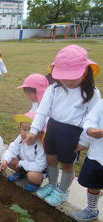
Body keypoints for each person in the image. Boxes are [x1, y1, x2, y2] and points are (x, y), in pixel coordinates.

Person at [24, 45, 101, 207]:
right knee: (51, 158)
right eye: (63, 76)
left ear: (85, 72)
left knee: (67, 163)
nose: (67, 81)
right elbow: (42, 112)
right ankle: (52, 185)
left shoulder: (92, 93)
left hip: (73, 133)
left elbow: (92, 119)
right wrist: (34, 130)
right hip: (53, 128)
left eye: (72, 77)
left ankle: (63, 191)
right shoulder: (53, 89)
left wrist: (84, 141)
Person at [0, 112, 47, 192]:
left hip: (36, 169)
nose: (27, 134)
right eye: (24, 129)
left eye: (31, 131)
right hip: (24, 163)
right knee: (10, 159)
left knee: (32, 176)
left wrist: (21, 163)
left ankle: (36, 183)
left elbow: (39, 166)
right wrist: (5, 160)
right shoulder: (20, 139)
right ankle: (20, 172)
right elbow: (12, 149)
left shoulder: (40, 146)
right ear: (19, 129)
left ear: (39, 133)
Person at [73, 99, 103, 221]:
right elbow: (91, 118)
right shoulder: (102, 103)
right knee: (93, 184)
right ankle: (92, 209)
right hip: (97, 154)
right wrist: (90, 129)